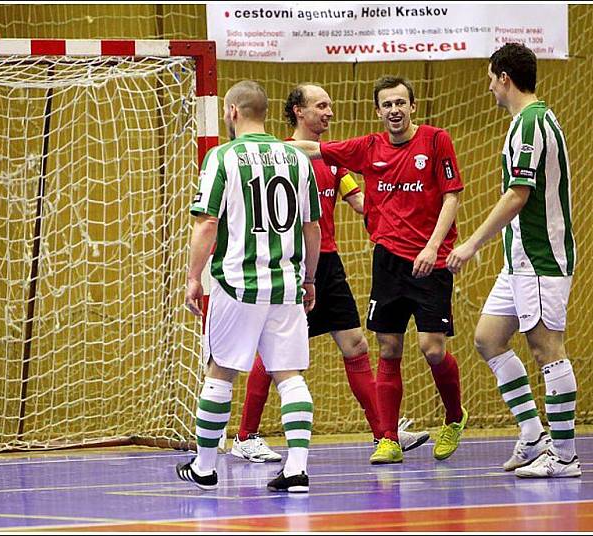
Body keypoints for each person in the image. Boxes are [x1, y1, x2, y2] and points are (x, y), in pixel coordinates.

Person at [229, 84, 430, 465]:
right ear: (298, 112)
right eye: (321, 106)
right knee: (275, 352)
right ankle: (245, 435)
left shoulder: (334, 161)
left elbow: (363, 203)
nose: (329, 113)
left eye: (330, 106)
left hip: (330, 265)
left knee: (356, 346)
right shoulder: (283, 157)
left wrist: (406, 207)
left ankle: (384, 432)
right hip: (294, 263)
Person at [289, 76, 467, 464]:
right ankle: (387, 438)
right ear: (378, 111)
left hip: (430, 261)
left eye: (401, 103)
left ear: (413, 107)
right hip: (387, 261)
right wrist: (260, 145)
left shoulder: (437, 140)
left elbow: (452, 196)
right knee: (388, 347)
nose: (395, 111)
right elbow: (313, 149)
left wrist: (433, 246)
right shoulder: (369, 147)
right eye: (387, 105)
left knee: (432, 348)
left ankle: (454, 417)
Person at [176, 80, 322, 493]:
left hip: (237, 283)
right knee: (289, 375)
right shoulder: (297, 160)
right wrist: (309, 278)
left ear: (233, 111)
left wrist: (192, 278)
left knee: (219, 372)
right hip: (286, 285)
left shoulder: (221, 157)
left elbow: (207, 223)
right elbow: (312, 226)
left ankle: (204, 467)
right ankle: (297, 467)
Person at [447, 43, 580, 478]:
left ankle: (564, 456)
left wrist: (472, 244)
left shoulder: (531, 122)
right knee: (487, 338)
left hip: (541, 257)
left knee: (547, 349)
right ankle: (533, 435)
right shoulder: (529, 121)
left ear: (504, 77)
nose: (488, 87)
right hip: (519, 260)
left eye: (490, 78)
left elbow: (517, 195)